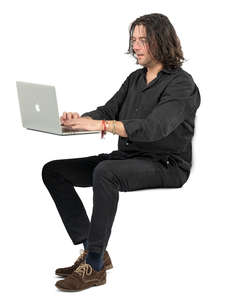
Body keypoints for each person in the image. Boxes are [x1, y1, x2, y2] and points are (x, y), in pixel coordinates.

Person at [41, 13, 201, 292]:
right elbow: (108, 111)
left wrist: (103, 125)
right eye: (133, 40)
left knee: (106, 172)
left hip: (166, 165)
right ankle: (92, 249)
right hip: (128, 159)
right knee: (53, 171)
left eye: (143, 40)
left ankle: (95, 266)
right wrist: (79, 120)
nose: (136, 46)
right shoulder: (135, 79)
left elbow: (154, 128)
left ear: (161, 42)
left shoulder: (182, 84)